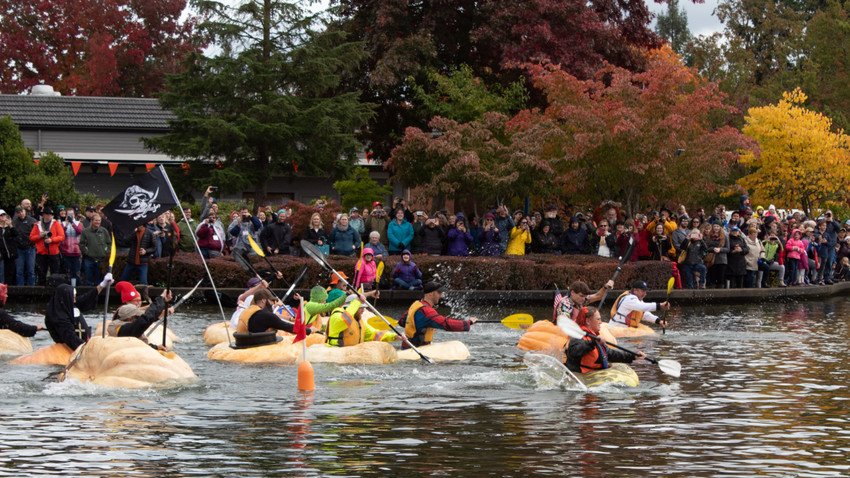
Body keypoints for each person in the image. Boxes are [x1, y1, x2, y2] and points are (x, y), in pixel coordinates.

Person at [565, 306, 645, 374]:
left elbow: (610, 354)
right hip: (581, 375)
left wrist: (633, 356)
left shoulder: (593, 337)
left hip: (593, 374)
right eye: (598, 319)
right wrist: (593, 343)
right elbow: (574, 351)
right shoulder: (578, 336)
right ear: (588, 321)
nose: (601, 322)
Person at [397, 281, 477, 349]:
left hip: (406, 348)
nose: (441, 296)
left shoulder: (416, 305)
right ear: (431, 294)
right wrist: (468, 322)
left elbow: (401, 322)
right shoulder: (427, 311)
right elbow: (446, 323)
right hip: (418, 351)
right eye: (439, 293)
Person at [44, 273, 113, 351]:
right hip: (71, 348)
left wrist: (103, 284)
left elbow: (87, 298)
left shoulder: (70, 304)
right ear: (66, 298)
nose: (74, 300)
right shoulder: (59, 317)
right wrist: (89, 348)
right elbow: (71, 338)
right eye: (72, 298)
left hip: (83, 343)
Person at [108, 281, 173, 351]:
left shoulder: (136, 328)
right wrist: (161, 298)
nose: (139, 303)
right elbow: (147, 317)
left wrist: (156, 347)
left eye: (140, 300)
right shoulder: (125, 311)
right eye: (136, 300)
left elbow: (150, 317)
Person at [325, 293, 398, 347]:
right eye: (361, 307)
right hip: (335, 354)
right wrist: (356, 302)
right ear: (352, 306)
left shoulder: (358, 321)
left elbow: (375, 334)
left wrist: (394, 336)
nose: (363, 310)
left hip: (350, 355)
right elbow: (345, 320)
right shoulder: (337, 316)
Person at [236, 289, 316, 336]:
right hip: (257, 346)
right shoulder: (266, 316)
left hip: (243, 342)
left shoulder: (246, 311)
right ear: (264, 301)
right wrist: (309, 330)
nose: (273, 303)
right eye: (271, 301)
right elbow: (288, 327)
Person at [29, 206, 65, 286]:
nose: (49, 216)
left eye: (50, 214)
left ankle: (54, 291)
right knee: (41, 274)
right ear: (43, 215)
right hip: (41, 253)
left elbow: (62, 236)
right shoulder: (37, 225)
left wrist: (51, 240)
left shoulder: (56, 224)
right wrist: (39, 236)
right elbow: (31, 238)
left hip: (53, 253)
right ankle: (42, 292)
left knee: (55, 274)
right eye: (47, 214)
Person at [78, 214, 111, 286]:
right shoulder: (85, 231)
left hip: (101, 259)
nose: (98, 222)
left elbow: (109, 243)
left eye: (99, 220)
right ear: (92, 221)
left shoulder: (104, 231)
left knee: (99, 281)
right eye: (96, 220)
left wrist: (106, 252)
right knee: (88, 280)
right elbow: (81, 244)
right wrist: (86, 252)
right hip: (89, 259)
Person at [12, 206, 37, 286]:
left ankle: (32, 288)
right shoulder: (14, 222)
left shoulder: (32, 221)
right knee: (19, 270)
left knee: (31, 270)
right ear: (16, 213)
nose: (21, 213)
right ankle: (20, 288)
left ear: (25, 211)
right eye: (18, 212)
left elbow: (37, 233)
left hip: (30, 248)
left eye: (22, 211)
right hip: (19, 249)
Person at [59, 206, 83, 284]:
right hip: (66, 252)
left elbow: (79, 231)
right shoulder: (62, 224)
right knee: (68, 272)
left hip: (76, 252)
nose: (70, 216)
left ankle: (78, 288)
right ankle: (68, 288)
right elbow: (61, 234)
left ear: (74, 215)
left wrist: (72, 223)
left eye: (71, 214)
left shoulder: (78, 223)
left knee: (77, 272)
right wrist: (66, 225)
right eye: (68, 214)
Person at [0, 210, 17, 284]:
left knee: (11, 272)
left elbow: (15, 234)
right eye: (1, 215)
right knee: (2, 273)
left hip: (10, 254)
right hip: (2, 254)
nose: (3, 216)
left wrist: (10, 226)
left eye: (4, 215)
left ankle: (9, 289)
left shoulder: (9, 226)